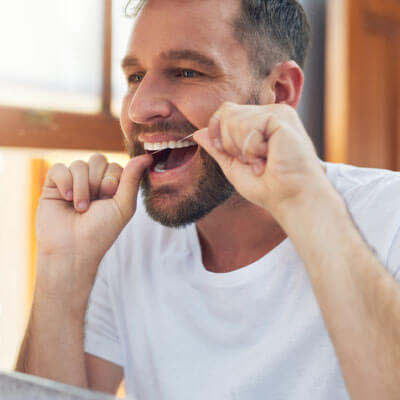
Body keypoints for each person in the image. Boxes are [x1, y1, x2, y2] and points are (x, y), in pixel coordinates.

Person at [16, 0, 400, 399]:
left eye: (186, 71)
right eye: (135, 76)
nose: (139, 108)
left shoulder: (391, 217)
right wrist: (63, 270)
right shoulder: (122, 236)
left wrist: (304, 204)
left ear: (279, 92)